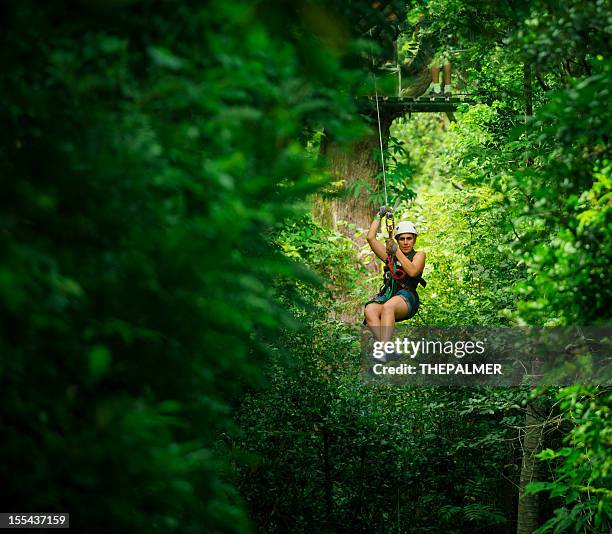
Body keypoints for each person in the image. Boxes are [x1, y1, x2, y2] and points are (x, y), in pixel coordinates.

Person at [364, 207, 426, 348]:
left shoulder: (419, 255)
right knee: (370, 310)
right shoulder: (390, 257)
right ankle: (387, 348)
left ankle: (384, 350)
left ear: (414, 240)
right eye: (402, 239)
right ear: (397, 240)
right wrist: (379, 215)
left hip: (408, 297)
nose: (405, 242)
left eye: (409, 238)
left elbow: (412, 271)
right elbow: (370, 238)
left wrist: (396, 251)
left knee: (388, 307)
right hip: (390, 295)